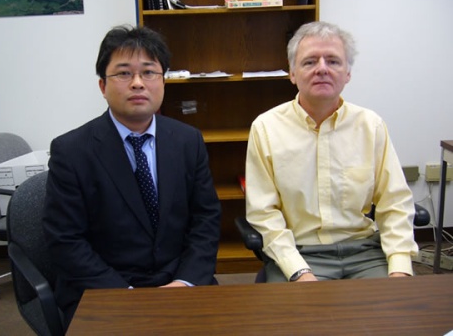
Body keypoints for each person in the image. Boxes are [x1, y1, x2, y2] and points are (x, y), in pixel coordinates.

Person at [43, 25, 221, 328]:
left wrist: (185, 281)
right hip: (104, 287)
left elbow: (206, 219)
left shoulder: (188, 141)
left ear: (163, 81)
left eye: (149, 72)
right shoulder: (71, 151)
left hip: (179, 280)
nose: (138, 83)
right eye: (124, 73)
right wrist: (125, 293)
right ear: (102, 86)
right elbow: (65, 239)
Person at [245, 21, 418, 283]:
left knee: (395, 315)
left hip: (365, 252)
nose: (322, 69)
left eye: (333, 61)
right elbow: (263, 213)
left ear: (347, 73)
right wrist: (299, 271)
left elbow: (394, 202)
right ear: (292, 73)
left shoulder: (370, 126)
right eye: (310, 61)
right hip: (301, 253)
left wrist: (399, 266)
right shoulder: (266, 128)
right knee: (300, 320)